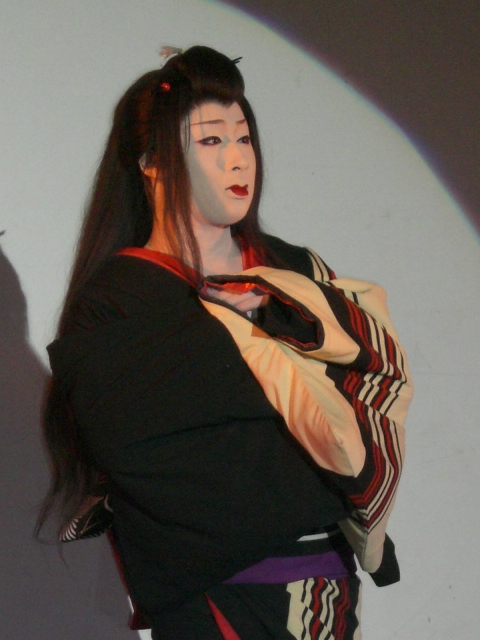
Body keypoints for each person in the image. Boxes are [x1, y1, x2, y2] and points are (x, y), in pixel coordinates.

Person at [38, 46, 413, 639]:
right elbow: (176, 478)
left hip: (332, 589)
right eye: (211, 140)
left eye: (243, 138)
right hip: (217, 598)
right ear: (152, 162)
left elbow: (376, 389)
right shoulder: (115, 302)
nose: (238, 159)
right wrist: (322, 455)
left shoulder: (296, 272)